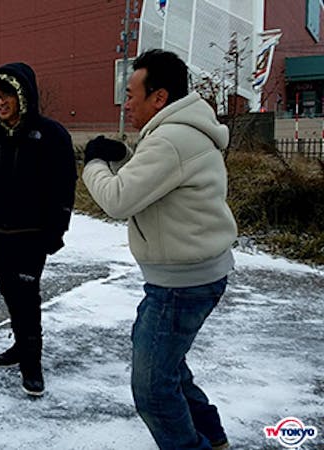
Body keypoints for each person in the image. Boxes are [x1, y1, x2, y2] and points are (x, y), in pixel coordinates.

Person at [82, 49, 236, 450]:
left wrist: (94, 162)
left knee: (151, 388)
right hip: (188, 275)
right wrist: (127, 158)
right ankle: (212, 434)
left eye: (132, 93)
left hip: (182, 285)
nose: (126, 101)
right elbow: (157, 181)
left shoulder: (170, 140)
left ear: (160, 97)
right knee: (165, 365)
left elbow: (117, 200)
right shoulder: (178, 133)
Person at [0, 62, 77, 397]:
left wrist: (57, 229)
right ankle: (20, 345)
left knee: (27, 297)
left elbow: (65, 185)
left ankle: (32, 363)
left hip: (32, 236)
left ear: (23, 95)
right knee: (10, 294)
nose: (0, 103)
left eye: (6, 96)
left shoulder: (50, 134)